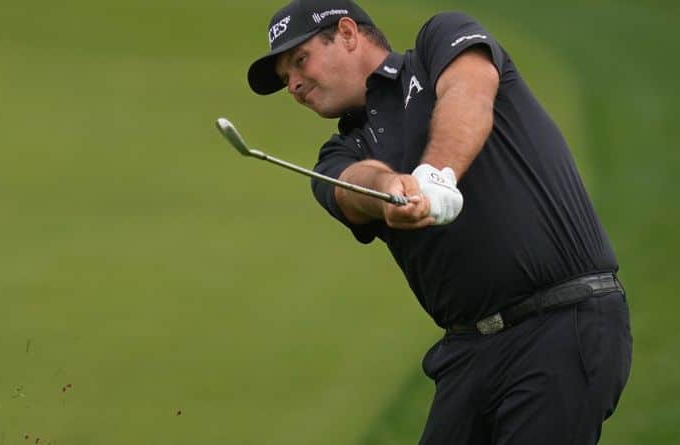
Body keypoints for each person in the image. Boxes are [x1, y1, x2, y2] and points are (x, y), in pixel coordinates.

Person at [244, 0, 632, 443]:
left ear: (348, 33)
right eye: (285, 79)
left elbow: (469, 91)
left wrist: (436, 174)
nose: (293, 85)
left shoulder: (438, 44)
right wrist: (388, 188)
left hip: (562, 321)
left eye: (300, 60)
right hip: (469, 352)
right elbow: (350, 187)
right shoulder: (338, 153)